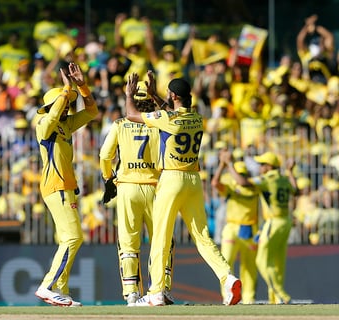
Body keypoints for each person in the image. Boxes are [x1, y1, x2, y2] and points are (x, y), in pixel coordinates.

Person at [124, 71, 241, 306]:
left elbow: (131, 114)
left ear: (174, 95)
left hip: (171, 179)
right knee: (202, 236)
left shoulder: (167, 119)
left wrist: (129, 94)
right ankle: (227, 277)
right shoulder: (197, 118)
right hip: (194, 180)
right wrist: (158, 94)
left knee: (161, 237)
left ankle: (156, 291)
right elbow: (170, 112)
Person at [99, 81, 175, 306]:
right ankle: (161, 290)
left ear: (132, 99)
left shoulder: (120, 124)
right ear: (151, 101)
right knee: (162, 242)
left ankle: (132, 292)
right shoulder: (160, 123)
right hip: (155, 187)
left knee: (128, 244)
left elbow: (105, 155)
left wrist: (108, 178)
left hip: (127, 188)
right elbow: (171, 114)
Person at [34, 62, 98, 307]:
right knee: (74, 238)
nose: (68, 106)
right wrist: (65, 90)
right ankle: (48, 286)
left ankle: (61, 289)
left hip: (65, 187)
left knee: (67, 239)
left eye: (69, 103)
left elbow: (92, 112)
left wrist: (81, 87)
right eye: (65, 102)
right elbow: (50, 116)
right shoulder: (45, 125)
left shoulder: (65, 126)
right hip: (56, 186)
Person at [221, 150, 297, 304]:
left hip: (273, 222)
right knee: (278, 262)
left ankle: (280, 294)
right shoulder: (282, 178)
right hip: (286, 221)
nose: (260, 167)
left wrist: (229, 164)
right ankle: (275, 298)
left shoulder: (267, 179)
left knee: (261, 261)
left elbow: (243, 183)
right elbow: (295, 190)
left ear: (269, 166)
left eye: (262, 164)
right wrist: (290, 172)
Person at [211, 155, 260, 304]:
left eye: (242, 173)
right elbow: (214, 183)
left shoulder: (252, 184)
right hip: (231, 227)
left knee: (249, 267)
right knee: (226, 264)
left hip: (249, 228)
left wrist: (229, 164)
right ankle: (228, 296)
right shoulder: (232, 187)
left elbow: (241, 182)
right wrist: (221, 164)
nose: (239, 176)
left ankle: (249, 298)